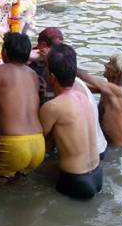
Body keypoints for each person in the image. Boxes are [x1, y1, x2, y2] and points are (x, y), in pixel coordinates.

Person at [39, 43, 103, 200]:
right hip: (98, 173)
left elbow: (40, 143)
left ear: (52, 77)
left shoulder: (53, 107)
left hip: (75, 179)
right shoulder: (84, 97)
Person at [0, 32, 44, 178]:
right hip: (38, 144)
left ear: (4, 52)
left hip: (13, 145)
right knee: (20, 183)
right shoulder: (33, 75)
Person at [77, 54, 122, 148]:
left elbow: (83, 76)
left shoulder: (118, 91)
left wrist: (63, 62)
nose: (105, 65)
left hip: (115, 150)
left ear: (117, 73)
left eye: (110, 63)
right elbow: (82, 85)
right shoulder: (108, 89)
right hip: (107, 145)